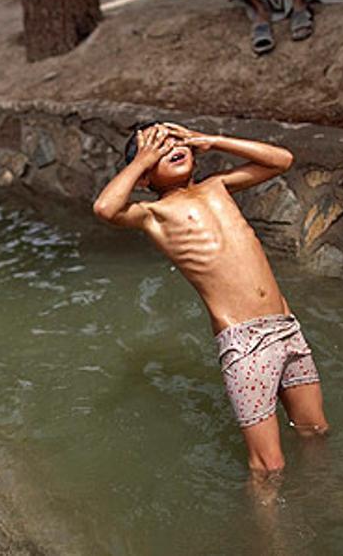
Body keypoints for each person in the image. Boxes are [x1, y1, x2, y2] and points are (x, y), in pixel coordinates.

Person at [92, 121, 328, 475]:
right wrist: (142, 160)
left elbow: (282, 160)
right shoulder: (153, 215)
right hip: (245, 343)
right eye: (157, 147)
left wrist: (213, 140)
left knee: (315, 431)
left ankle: (328, 494)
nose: (171, 147)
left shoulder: (218, 186)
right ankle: (270, 514)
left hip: (286, 327)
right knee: (268, 466)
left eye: (175, 140)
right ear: (143, 177)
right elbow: (105, 208)